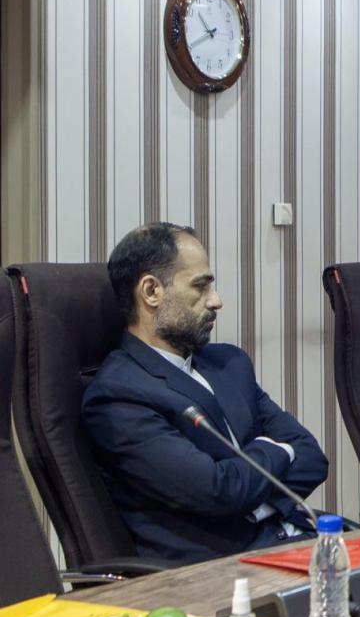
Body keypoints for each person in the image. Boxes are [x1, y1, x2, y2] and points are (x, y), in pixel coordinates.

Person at [83, 223, 328, 564]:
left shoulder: (229, 364)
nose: (216, 301)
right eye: (201, 286)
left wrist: (253, 498)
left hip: (299, 537)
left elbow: (312, 458)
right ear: (151, 291)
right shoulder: (119, 394)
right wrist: (276, 450)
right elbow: (218, 492)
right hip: (223, 570)